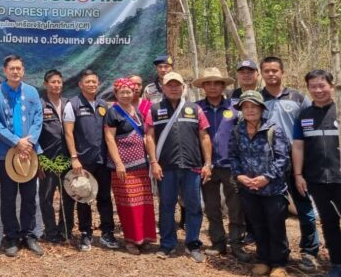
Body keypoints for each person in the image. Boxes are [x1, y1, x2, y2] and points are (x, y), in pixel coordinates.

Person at [145, 72, 212, 262]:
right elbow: (149, 137)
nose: (174, 88)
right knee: (166, 206)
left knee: (194, 206)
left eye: (177, 85)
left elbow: (204, 137)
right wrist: (154, 162)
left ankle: (193, 244)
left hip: (192, 166)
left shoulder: (195, 109)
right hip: (165, 167)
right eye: (170, 85)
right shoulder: (155, 110)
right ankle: (167, 244)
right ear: (163, 88)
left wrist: (207, 163)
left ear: (183, 87)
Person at [260, 56, 319, 272]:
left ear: (282, 72)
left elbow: (308, 130)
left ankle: (309, 252)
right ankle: (275, 253)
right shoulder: (257, 99)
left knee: (304, 207)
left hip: (296, 163)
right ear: (262, 73)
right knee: (272, 212)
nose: (271, 74)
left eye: (275, 70)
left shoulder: (298, 98)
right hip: (268, 164)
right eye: (267, 70)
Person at [0, 55, 44, 258]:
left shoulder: (31, 92)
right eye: (11, 68)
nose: (15, 72)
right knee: (8, 197)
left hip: (30, 152)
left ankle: (29, 235)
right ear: (4, 70)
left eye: (19, 68)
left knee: (29, 197)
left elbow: (38, 117)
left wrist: (29, 142)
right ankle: (11, 236)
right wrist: (16, 141)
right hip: (5, 154)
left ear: (23, 70)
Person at [229, 90, 290, 277]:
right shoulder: (237, 131)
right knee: (257, 226)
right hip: (249, 189)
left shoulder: (273, 129)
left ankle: (279, 263)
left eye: (253, 106)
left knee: (276, 225)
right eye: (245, 107)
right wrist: (240, 176)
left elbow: (282, 159)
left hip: (272, 189)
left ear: (261, 108)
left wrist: (266, 177)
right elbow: (233, 157)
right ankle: (263, 259)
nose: (250, 110)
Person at [193, 68, 251, 262]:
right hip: (206, 165)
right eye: (207, 83)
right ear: (202, 87)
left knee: (235, 207)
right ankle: (218, 243)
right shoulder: (196, 108)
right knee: (211, 206)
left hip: (231, 165)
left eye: (216, 83)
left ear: (223, 86)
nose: (212, 87)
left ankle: (236, 243)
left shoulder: (236, 107)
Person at [292, 70, 341, 277]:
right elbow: (298, 146)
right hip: (317, 179)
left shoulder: (339, 112)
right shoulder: (304, 115)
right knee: (329, 223)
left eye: (322, 85)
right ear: (308, 88)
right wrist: (298, 174)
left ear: (332, 85)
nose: (318, 90)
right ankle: (337, 264)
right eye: (313, 86)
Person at [63, 68, 117, 252]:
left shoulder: (103, 105)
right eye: (88, 82)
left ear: (98, 84)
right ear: (80, 84)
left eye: (94, 81)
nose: (92, 84)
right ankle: (85, 233)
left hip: (102, 159)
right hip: (83, 161)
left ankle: (107, 233)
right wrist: (74, 157)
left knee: (104, 197)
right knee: (84, 197)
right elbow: (68, 133)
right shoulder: (73, 104)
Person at [103, 78, 156, 254]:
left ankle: (145, 237)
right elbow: (110, 138)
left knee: (144, 203)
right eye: (122, 92)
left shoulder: (137, 111)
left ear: (134, 93)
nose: (126, 95)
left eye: (129, 92)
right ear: (116, 94)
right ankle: (131, 240)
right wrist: (118, 163)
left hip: (141, 165)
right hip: (123, 167)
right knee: (128, 205)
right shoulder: (113, 112)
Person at [37, 69, 69, 243]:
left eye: (59, 82)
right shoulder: (40, 105)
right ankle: (50, 232)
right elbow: (34, 133)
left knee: (69, 196)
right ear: (45, 84)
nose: (56, 85)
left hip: (67, 160)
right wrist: (39, 160)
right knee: (46, 198)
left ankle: (65, 230)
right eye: (53, 82)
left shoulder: (69, 104)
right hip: (47, 160)